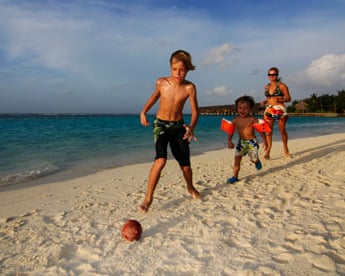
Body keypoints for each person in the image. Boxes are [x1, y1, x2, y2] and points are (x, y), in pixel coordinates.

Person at [138, 49, 202, 213]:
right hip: (161, 125)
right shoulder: (161, 82)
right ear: (170, 68)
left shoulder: (189, 87)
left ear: (187, 69)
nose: (178, 73)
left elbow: (196, 111)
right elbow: (154, 97)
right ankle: (148, 198)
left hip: (178, 126)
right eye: (175, 69)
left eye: (182, 69)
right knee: (160, 161)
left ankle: (190, 187)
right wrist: (144, 111)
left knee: (186, 166)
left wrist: (191, 128)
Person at [226, 95, 266, 184]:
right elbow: (230, 131)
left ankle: (256, 161)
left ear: (250, 109)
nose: (242, 110)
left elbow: (260, 130)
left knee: (253, 160)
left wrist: (265, 141)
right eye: (240, 108)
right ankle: (235, 177)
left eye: (245, 108)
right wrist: (229, 140)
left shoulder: (252, 119)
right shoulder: (235, 120)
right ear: (237, 108)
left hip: (252, 143)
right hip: (241, 143)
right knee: (236, 160)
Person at [260, 67, 291, 159]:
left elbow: (289, 98)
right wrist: (265, 102)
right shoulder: (267, 86)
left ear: (277, 75)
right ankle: (268, 152)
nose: (272, 76)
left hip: (279, 109)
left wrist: (280, 99)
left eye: (274, 74)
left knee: (282, 131)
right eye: (270, 74)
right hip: (269, 109)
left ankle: (286, 150)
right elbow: (269, 98)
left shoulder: (282, 86)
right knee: (268, 132)